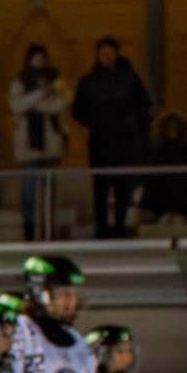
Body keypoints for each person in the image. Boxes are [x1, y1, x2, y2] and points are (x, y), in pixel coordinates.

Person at [71, 36, 151, 237]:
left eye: (109, 51)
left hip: (123, 140)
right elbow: (78, 109)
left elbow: (144, 106)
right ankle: (102, 227)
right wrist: (95, 121)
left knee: (122, 185)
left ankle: (120, 226)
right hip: (100, 139)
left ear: (116, 53)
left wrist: (131, 125)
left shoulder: (130, 79)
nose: (106, 56)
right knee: (101, 186)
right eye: (102, 52)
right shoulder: (88, 82)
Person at [8, 43, 69, 242]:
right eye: (36, 58)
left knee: (49, 193)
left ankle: (48, 229)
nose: (39, 61)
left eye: (42, 58)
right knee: (28, 193)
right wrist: (41, 95)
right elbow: (17, 106)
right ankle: (29, 230)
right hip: (29, 145)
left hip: (51, 143)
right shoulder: (19, 82)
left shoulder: (56, 81)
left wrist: (34, 105)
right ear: (29, 59)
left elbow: (61, 104)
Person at [136, 110, 187, 227]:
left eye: (174, 127)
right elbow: (147, 172)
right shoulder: (155, 149)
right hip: (158, 192)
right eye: (169, 127)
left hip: (183, 192)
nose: (172, 130)